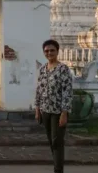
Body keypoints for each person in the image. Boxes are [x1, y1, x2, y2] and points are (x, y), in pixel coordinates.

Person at [34, 39, 74, 173]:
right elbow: (39, 90)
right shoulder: (42, 69)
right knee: (51, 141)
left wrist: (64, 112)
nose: (49, 53)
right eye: (46, 51)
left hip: (58, 111)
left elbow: (67, 91)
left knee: (57, 141)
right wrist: (37, 109)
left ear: (57, 52)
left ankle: (58, 169)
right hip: (45, 110)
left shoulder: (63, 69)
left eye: (52, 50)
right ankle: (57, 164)